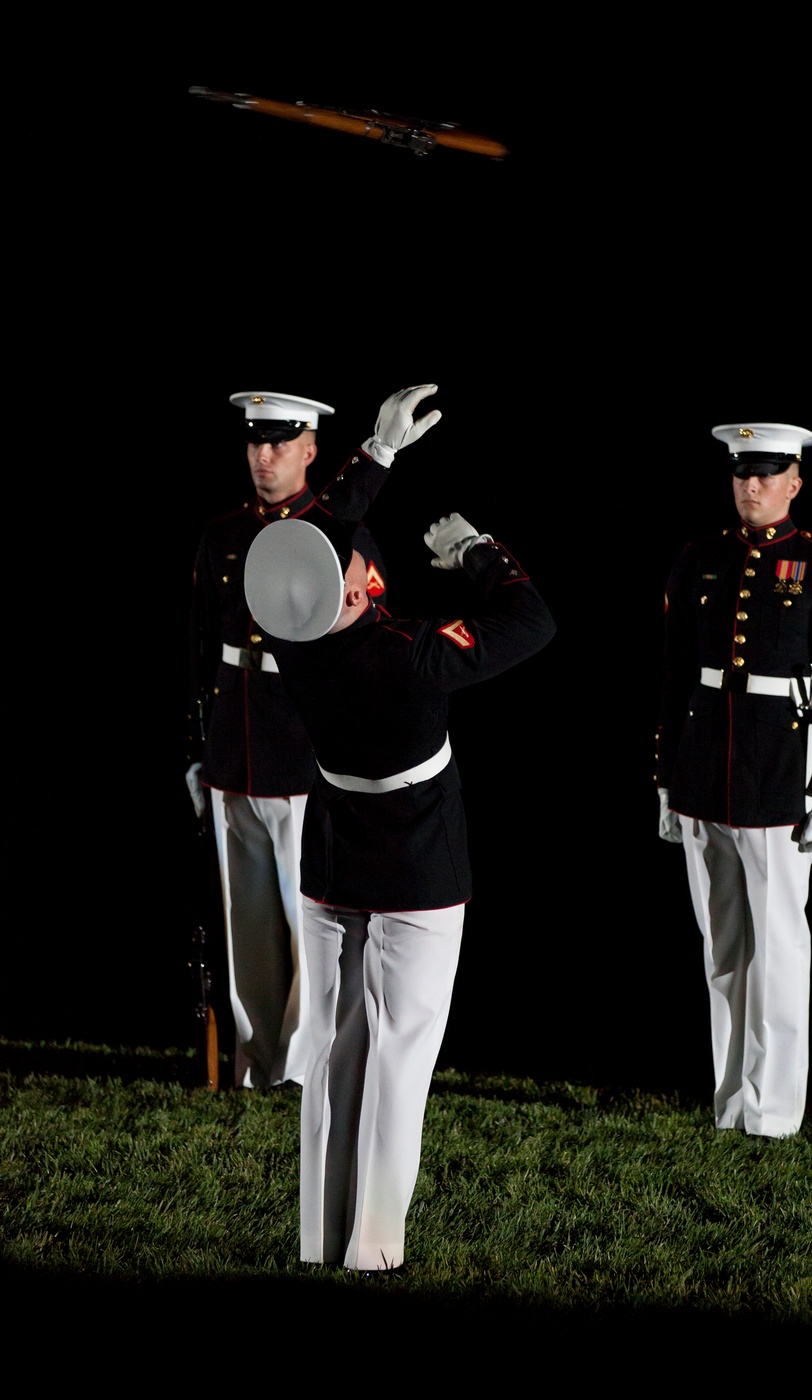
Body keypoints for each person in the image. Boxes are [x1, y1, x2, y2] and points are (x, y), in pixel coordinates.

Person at [244, 495, 556, 1269]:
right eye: (354, 559)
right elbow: (532, 621)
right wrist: (480, 553)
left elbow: (318, 533)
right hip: (417, 862)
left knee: (330, 1050)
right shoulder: (411, 651)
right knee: (400, 1057)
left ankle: (320, 1238)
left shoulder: (288, 634)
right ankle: (375, 1248)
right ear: (355, 590)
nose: (362, 555)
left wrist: (377, 455)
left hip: (333, 853)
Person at [187, 385, 440, 1088]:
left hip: (306, 747)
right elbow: (201, 647)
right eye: (255, 440)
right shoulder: (222, 534)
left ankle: (303, 1064)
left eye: (279, 442)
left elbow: (371, 645)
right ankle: (255, 1060)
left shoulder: (340, 535)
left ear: (309, 449)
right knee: (245, 920)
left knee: (313, 922)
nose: (263, 455)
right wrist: (197, 749)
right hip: (234, 747)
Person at [656, 422, 812, 1139]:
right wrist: (665, 780)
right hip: (702, 773)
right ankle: (732, 1105)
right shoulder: (700, 558)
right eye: (743, 472)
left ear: (794, 482)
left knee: (776, 953)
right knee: (723, 951)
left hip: (780, 778)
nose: (752, 485)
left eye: (767, 473)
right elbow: (675, 677)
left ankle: (772, 1114)